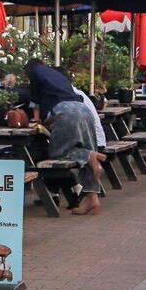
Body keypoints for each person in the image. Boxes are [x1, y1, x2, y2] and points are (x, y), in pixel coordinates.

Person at [25, 58, 105, 215]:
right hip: (83, 110)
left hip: (64, 111)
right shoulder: (56, 75)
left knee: (59, 154)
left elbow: (35, 104)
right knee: (86, 151)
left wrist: (37, 121)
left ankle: (88, 155)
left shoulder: (35, 74)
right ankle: (92, 199)